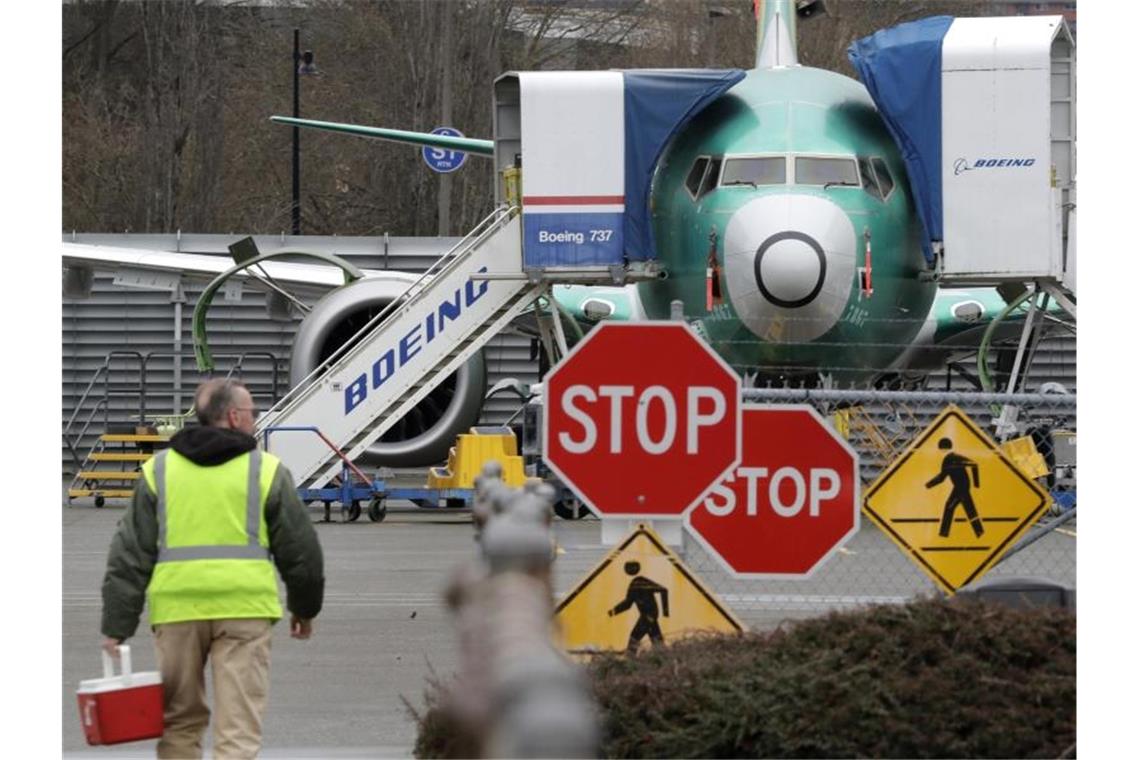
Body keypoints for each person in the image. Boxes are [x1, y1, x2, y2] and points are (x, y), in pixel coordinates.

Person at [100, 379, 325, 759]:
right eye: (252, 413)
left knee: (179, 723)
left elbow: (129, 553)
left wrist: (116, 626)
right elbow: (301, 552)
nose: (255, 420)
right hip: (244, 612)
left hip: (177, 613)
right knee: (238, 729)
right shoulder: (266, 470)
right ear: (234, 416)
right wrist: (304, 608)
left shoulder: (159, 470)